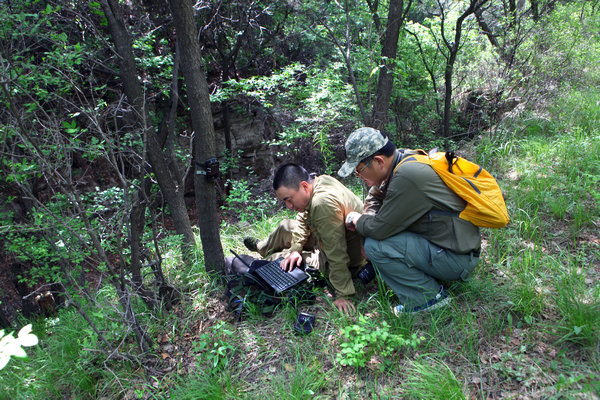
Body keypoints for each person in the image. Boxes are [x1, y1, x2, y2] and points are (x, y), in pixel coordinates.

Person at [340, 127, 481, 314]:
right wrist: (369, 222)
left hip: (457, 260)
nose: (359, 176)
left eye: (359, 170)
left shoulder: (407, 175)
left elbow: (379, 229)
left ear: (379, 161)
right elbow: (374, 197)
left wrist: (357, 220)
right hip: (451, 248)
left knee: (376, 245)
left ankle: (427, 299)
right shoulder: (401, 160)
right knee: (374, 238)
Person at [244, 163, 366, 315]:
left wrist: (343, 294)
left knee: (280, 261)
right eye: (285, 202)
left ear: (304, 186)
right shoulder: (319, 182)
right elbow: (303, 217)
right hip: (324, 235)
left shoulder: (322, 204)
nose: (288, 206)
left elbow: (337, 253)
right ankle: (262, 247)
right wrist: (295, 249)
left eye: (289, 199)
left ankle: (264, 257)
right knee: (285, 227)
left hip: (341, 257)